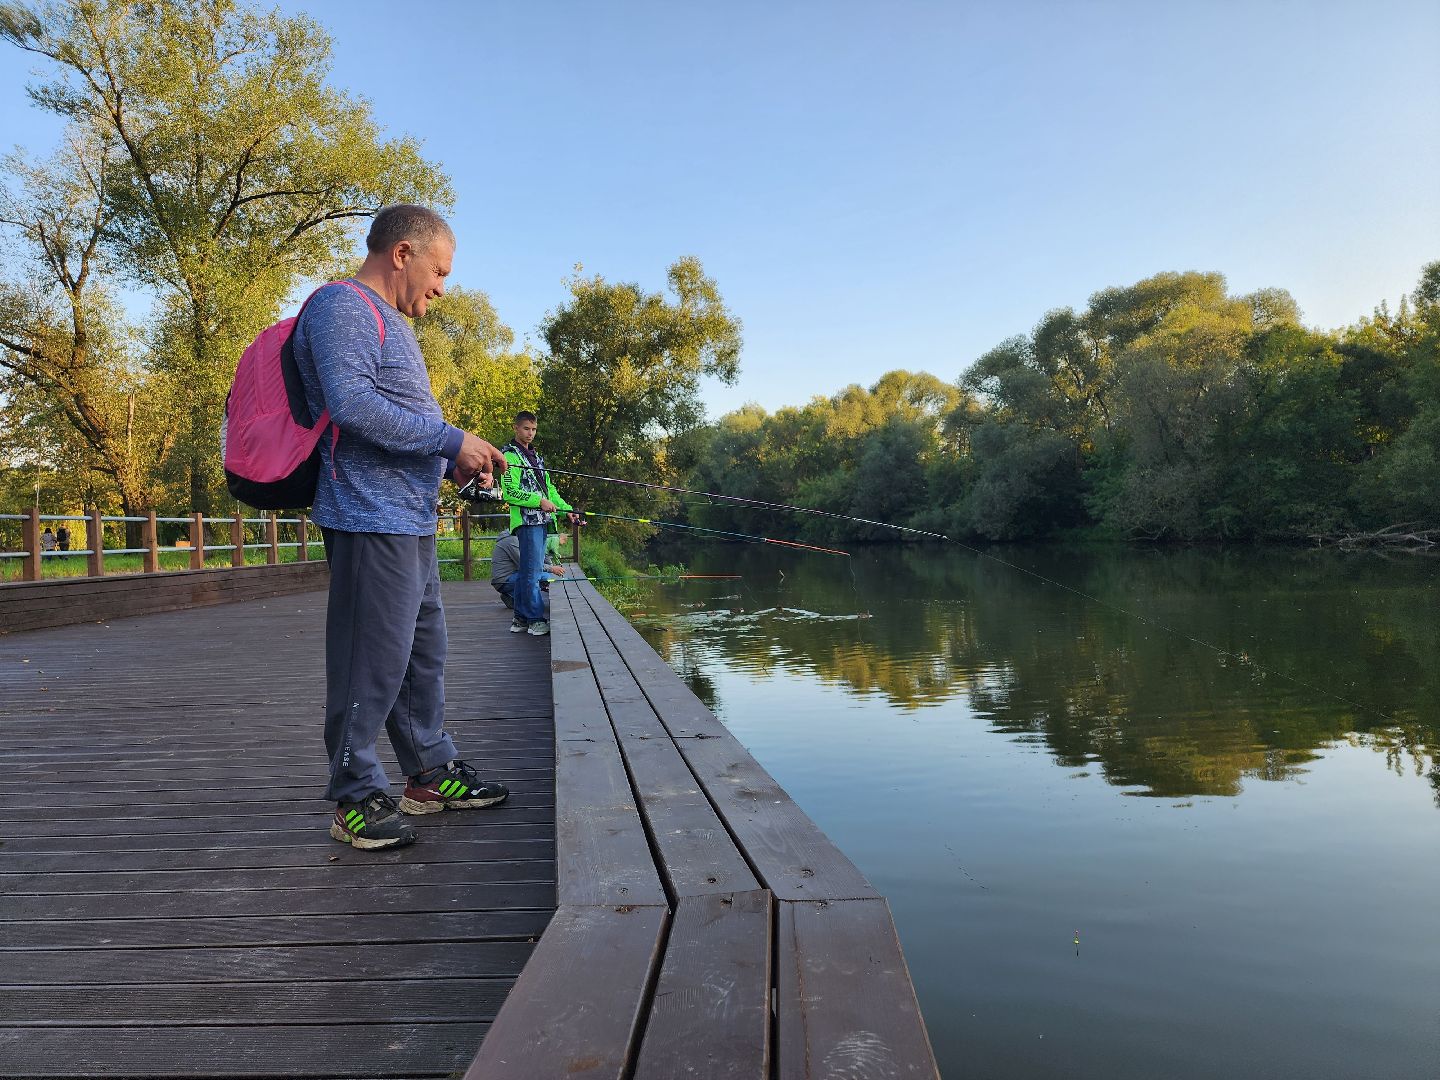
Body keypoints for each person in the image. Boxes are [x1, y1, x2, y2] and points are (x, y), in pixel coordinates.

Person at [292, 203, 511, 851]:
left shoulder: (385, 319)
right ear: (403, 254)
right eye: (440, 271)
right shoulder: (342, 308)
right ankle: (354, 794)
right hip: (367, 516)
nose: (443, 286)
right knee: (371, 660)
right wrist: (452, 439)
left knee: (420, 656)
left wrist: (455, 465)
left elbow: (397, 419)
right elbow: (352, 404)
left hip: (408, 518)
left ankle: (428, 773)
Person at [499, 412, 576, 636]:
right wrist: (538, 501)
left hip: (542, 522)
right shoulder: (508, 457)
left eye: (533, 429)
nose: (530, 433)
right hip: (526, 522)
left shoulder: (536, 457)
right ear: (516, 428)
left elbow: (549, 490)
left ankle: (520, 619)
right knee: (532, 573)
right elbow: (510, 493)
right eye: (526, 429)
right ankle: (535, 619)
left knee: (527, 572)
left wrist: (567, 511)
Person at [489, 527, 565, 609]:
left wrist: (549, 565)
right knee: (543, 577)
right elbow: (528, 564)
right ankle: (514, 595)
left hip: (511, 576)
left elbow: (534, 559)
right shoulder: (512, 541)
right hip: (504, 580)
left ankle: (513, 596)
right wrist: (552, 569)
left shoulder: (516, 538)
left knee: (543, 576)